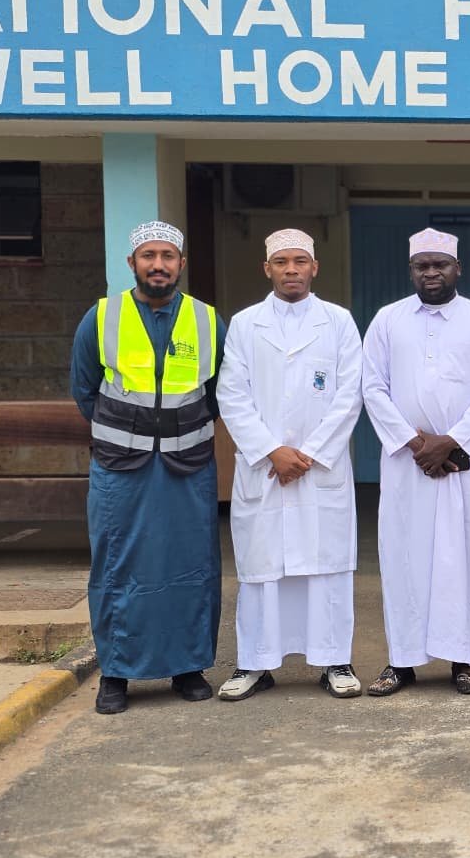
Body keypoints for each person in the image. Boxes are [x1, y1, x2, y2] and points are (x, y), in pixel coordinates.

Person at [69, 221, 225, 715]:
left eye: (168, 256)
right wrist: (130, 430)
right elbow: (85, 389)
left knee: (191, 563)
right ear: (131, 263)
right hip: (120, 469)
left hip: (188, 464)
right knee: (118, 565)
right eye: (148, 256)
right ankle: (115, 673)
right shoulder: (100, 318)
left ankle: (188, 667)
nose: (158, 265)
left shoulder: (207, 320)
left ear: (181, 263)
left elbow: (220, 394)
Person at [215, 229, 364, 701]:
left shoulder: (338, 321)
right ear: (268, 269)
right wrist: (271, 450)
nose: (292, 270)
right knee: (262, 570)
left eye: (301, 261)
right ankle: (254, 664)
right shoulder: (244, 323)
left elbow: (350, 394)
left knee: (327, 568)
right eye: (282, 262)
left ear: (315, 267)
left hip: (320, 470)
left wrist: (310, 453)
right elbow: (231, 394)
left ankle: (334, 660)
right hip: (266, 469)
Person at [362, 228, 470, 696]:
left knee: (467, 554)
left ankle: (464, 660)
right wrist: (414, 443)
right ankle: (401, 661)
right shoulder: (387, 320)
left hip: (466, 462)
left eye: (439, 264)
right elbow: (373, 387)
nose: (431, 273)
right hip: (409, 464)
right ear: (412, 270)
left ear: (457, 268)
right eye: (422, 265)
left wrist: (451, 440)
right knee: (404, 555)